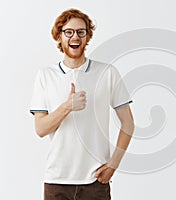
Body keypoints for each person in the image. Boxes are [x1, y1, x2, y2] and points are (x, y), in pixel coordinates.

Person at [29, 8, 134, 200]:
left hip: (96, 181)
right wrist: (67, 106)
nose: (74, 36)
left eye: (80, 32)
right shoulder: (46, 75)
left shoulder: (108, 73)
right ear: (59, 37)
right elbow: (41, 129)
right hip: (56, 182)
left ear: (87, 37)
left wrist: (113, 165)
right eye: (68, 32)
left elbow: (128, 123)